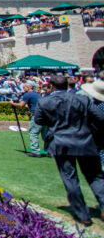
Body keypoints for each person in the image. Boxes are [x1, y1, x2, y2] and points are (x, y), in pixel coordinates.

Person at [34, 74, 104, 226]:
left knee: (70, 178)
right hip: (85, 141)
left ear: (51, 86)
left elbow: (38, 120)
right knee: (96, 177)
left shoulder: (45, 102)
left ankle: (83, 214)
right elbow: (100, 117)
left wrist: (55, 122)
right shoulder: (83, 99)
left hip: (61, 143)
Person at [10, 82, 45, 156]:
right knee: (45, 134)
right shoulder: (37, 94)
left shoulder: (27, 94)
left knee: (33, 132)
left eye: (24, 87)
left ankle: (35, 151)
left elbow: (21, 105)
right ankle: (50, 151)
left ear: (28, 88)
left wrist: (13, 103)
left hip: (36, 115)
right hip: (44, 114)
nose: (23, 88)